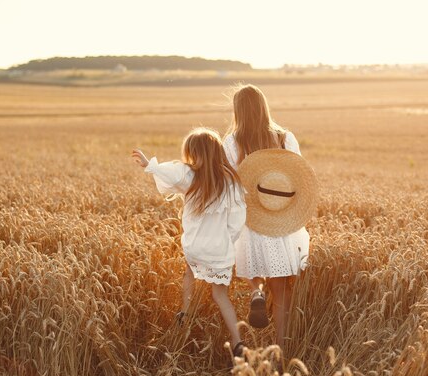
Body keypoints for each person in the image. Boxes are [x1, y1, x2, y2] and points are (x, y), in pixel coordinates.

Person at [131, 127, 247, 357]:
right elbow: (237, 221)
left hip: (195, 246)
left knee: (189, 274)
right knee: (220, 295)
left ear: (195, 154)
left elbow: (171, 172)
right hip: (220, 248)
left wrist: (149, 165)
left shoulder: (189, 175)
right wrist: (226, 241)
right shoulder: (231, 183)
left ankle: (185, 313)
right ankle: (237, 342)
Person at [223, 84, 310, 349]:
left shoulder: (232, 142)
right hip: (280, 218)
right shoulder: (285, 138)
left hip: (250, 219)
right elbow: (297, 174)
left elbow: (229, 183)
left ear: (238, 110)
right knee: (282, 292)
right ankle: (281, 353)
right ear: (264, 106)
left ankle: (256, 292)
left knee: (254, 268)